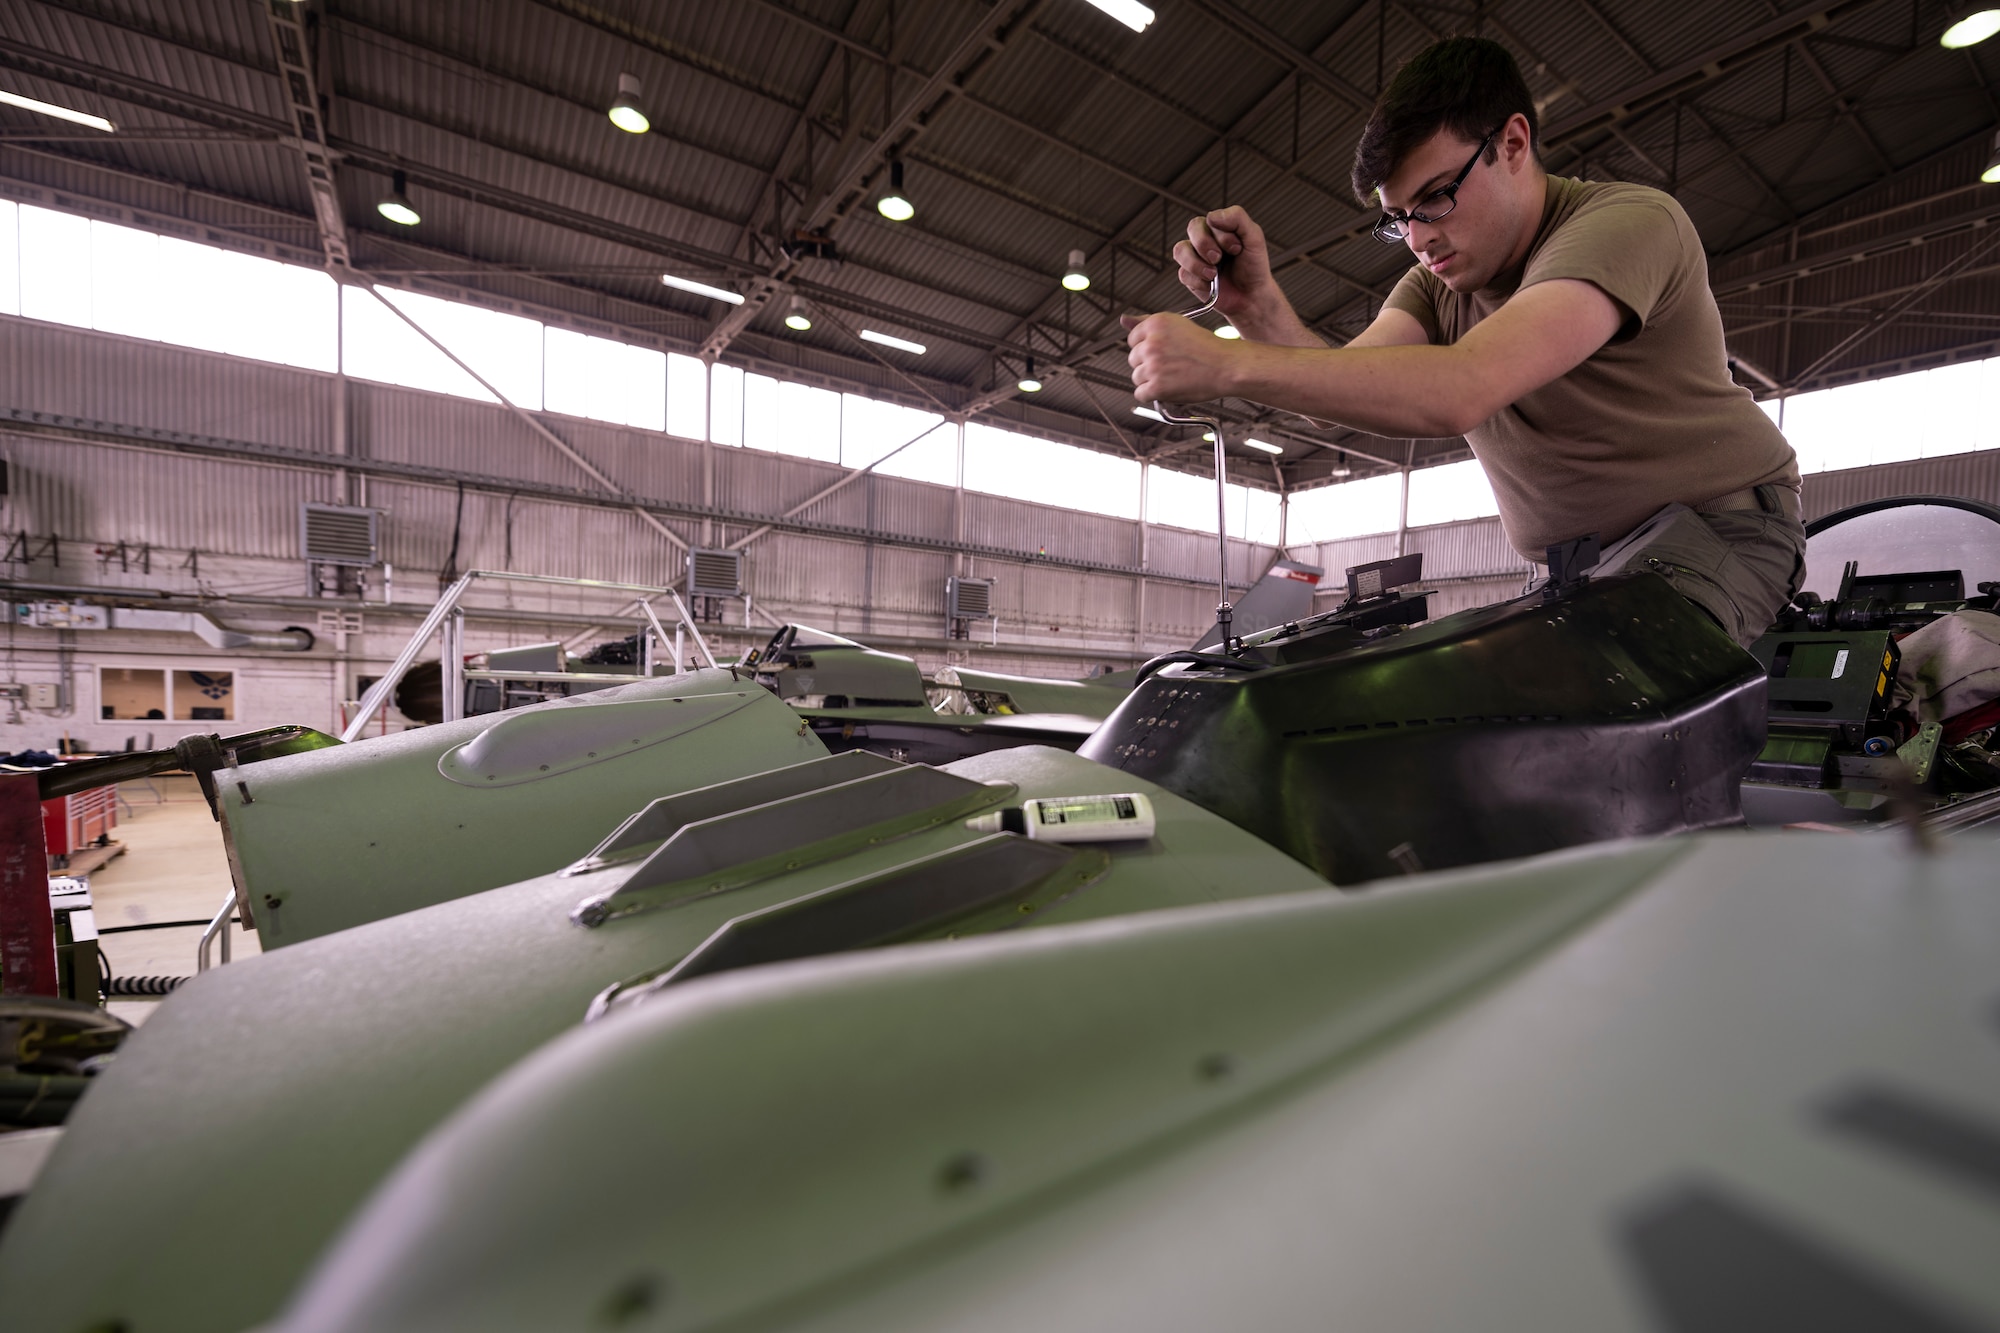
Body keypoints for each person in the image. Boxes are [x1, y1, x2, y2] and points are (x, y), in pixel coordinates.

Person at [1123, 37, 1804, 647]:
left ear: (1512, 144)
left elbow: (1461, 388)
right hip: (1597, 564)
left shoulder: (1627, 224)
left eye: (1437, 196)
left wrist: (1223, 363)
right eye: (1399, 219)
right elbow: (1343, 382)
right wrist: (1256, 311)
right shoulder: (1441, 286)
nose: (1419, 239)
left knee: (1569, 729)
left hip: (1723, 533)